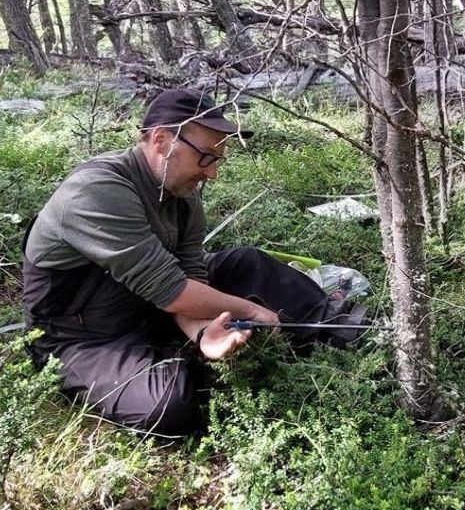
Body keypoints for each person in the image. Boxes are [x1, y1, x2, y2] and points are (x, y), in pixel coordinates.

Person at [21, 87, 366, 437]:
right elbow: (171, 291)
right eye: (205, 156)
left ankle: (347, 335)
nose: (212, 174)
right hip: (84, 338)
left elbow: (189, 278)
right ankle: (173, 371)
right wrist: (253, 312)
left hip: (151, 306)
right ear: (160, 139)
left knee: (247, 263)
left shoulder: (182, 193)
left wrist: (202, 332)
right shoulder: (96, 190)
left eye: (217, 159)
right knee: (168, 406)